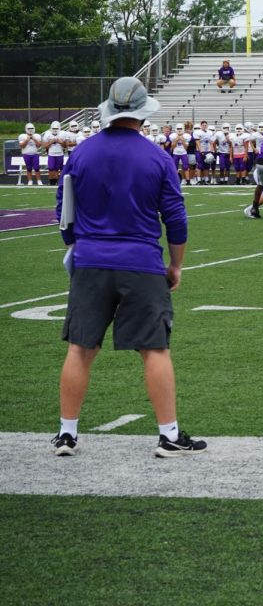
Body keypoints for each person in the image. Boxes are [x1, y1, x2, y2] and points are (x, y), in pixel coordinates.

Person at [51, 77, 206, 458]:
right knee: (154, 349)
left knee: (80, 348)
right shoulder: (157, 157)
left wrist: (77, 247)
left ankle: (66, 433)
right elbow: (176, 219)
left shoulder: (82, 153)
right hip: (140, 262)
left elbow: (63, 212)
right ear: (142, 112)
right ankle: (168, 435)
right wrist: (177, 265)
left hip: (90, 260)